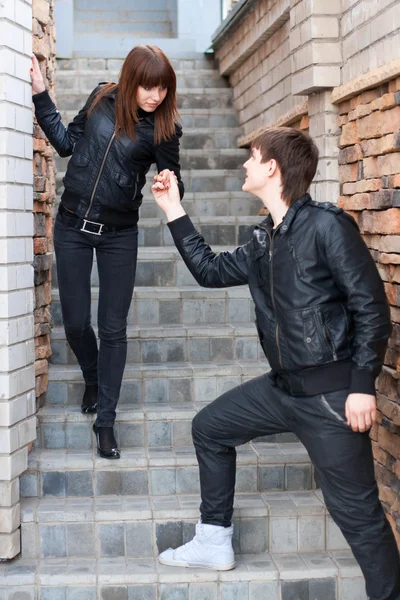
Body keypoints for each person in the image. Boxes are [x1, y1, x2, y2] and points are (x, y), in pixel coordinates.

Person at [152, 127, 400, 600]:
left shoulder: (327, 226)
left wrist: (362, 384)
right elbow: (209, 271)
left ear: (273, 168)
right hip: (283, 388)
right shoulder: (264, 238)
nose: (245, 164)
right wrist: (173, 210)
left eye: (253, 157)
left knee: (358, 515)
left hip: (330, 397)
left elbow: (370, 307)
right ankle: (213, 541)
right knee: (210, 427)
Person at [31, 45, 184, 459]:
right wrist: (40, 93)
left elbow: (175, 181)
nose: (155, 96)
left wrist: (169, 185)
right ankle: (93, 377)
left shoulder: (164, 128)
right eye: (149, 87)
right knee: (77, 322)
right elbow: (66, 144)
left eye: (163, 89)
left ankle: (106, 423)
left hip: (119, 234)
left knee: (113, 327)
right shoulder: (101, 97)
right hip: (72, 225)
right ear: (132, 80)